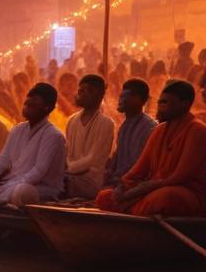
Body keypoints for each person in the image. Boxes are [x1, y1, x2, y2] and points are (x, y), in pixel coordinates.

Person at [95, 80, 206, 216]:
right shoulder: (159, 130)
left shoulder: (198, 130)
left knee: (165, 197)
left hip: (186, 193)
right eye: (160, 102)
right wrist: (123, 187)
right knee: (105, 196)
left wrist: (143, 189)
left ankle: (131, 208)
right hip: (150, 189)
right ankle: (133, 208)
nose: (159, 106)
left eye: (165, 102)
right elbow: (139, 169)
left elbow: (179, 177)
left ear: (185, 104)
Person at [0, 83, 66, 208]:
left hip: (39, 187)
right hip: (9, 184)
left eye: (32, 105)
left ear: (47, 108)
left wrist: (9, 184)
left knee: (22, 192)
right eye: (26, 104)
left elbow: (39, 172)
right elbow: (3, 161)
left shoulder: (53, 135)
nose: (26, 108)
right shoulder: (18, 129)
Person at [63, 74, 115, 200]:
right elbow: (67, 154)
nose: (80, 93)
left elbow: (92, 160)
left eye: (85, 90)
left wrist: (65, 170)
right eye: (79, 89)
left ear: (98, 95)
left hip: (90, 182)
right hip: (68, 176)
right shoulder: (72, 120)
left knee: (56, 181)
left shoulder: (106, 123)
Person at [107, 78, 156, 184]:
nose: (120, 99)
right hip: (120, 181)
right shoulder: (124, 126)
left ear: (138, 99)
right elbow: (118, 157)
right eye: (121, 96)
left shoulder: (149, 127)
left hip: (133, 183)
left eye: (125, 96)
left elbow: (142, 165)